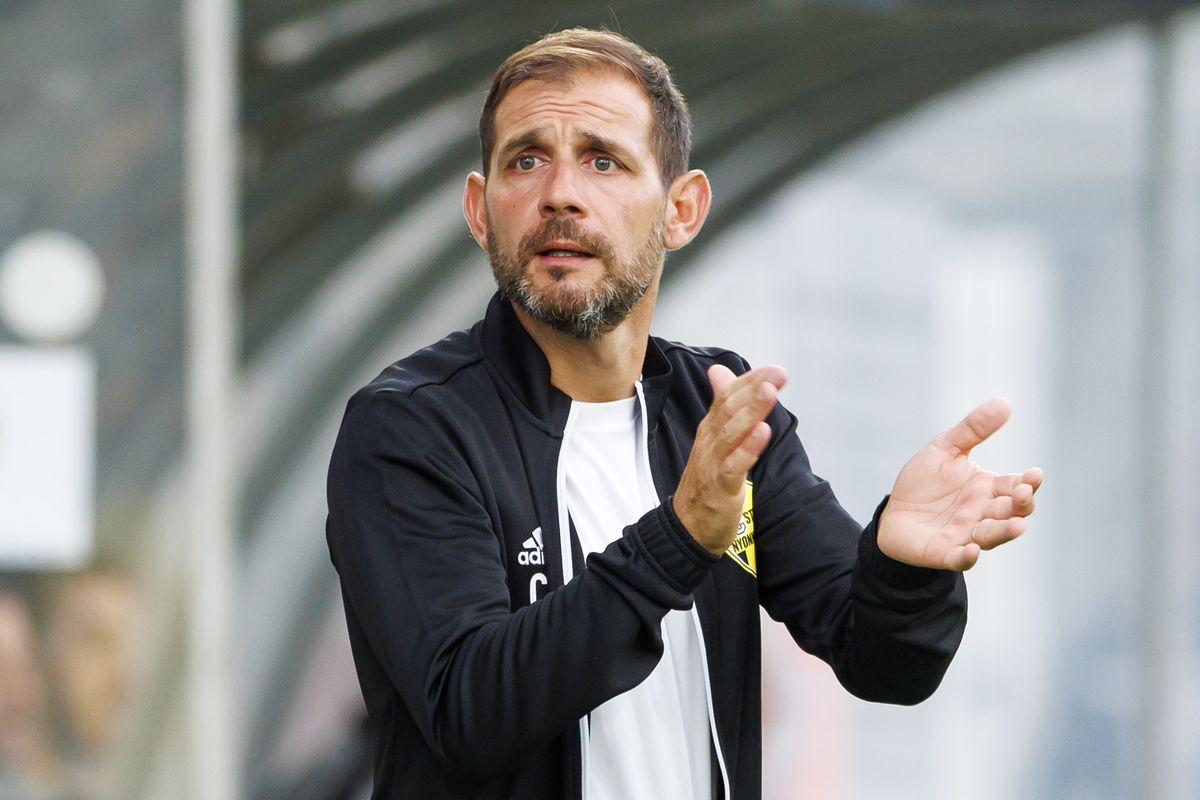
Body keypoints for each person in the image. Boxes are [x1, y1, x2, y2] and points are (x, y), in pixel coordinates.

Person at [325, 27, 1042, 800]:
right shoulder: (413, 428)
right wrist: (679, 539)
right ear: (480, 208)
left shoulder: (720, 411)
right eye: (526, 160)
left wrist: (904, 571)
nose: (560, 192)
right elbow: (470, 710)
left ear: (682, 209)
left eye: (603, 160)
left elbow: (882, 662)